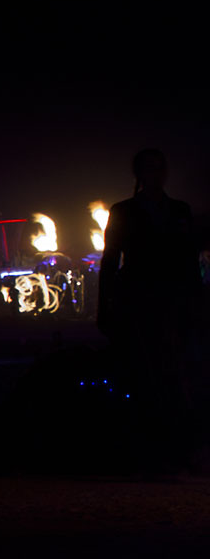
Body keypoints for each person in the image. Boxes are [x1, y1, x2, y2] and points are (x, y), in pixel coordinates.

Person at [98, 149, 200, 472]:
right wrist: (105, 307)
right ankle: (156, 449)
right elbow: (110, 261)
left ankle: (169, 450)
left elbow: (189, 261)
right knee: (146, 374)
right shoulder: (131, 212)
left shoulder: (176, 211)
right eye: (149, 169)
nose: (154, 175)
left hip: (166, 302)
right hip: (140, 302)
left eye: (158, 169)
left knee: (169, 374)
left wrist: (193, 303)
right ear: (140, 174)